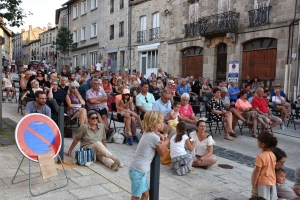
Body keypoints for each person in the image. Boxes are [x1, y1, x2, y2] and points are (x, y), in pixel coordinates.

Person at [129, 111, 169, 200]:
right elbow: (163, 153)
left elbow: (155, 143)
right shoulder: (153, 137)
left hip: (137, 170)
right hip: (138, 171)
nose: (163, 124)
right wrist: (166, 140)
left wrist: (160, 136)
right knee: (136, 196)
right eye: (161, 122)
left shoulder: (148, 133)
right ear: (156, 124)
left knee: (146, 194)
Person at [252, 132, 278, 200]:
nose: (257, 142)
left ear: (263, 144)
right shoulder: (273, 155)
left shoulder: (260, 156)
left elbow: (258, 170)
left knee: (263, 198)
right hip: (272, 180)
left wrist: (254, 181)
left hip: (263, 180)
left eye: (258, 141)